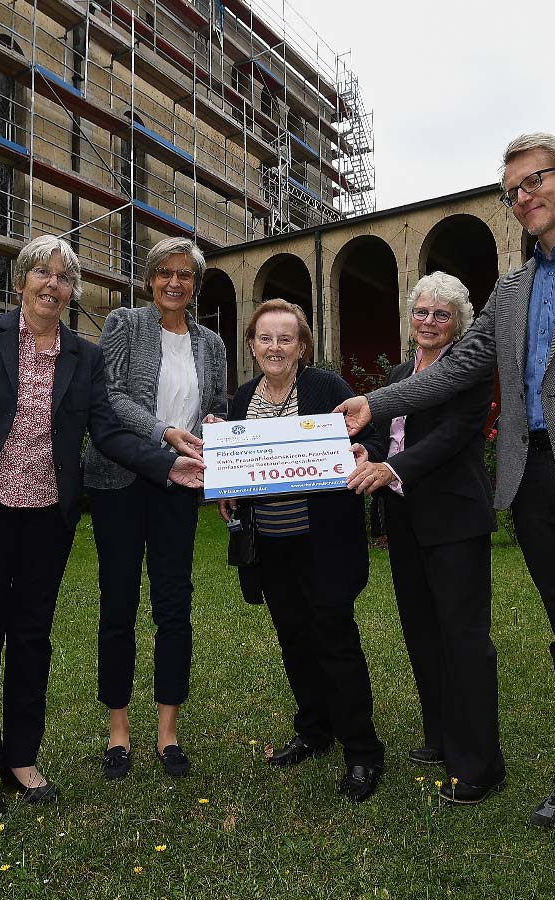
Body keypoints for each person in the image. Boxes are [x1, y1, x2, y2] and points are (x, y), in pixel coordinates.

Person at [337, 133, 555, 875]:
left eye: (534, 181)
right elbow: (458, 367)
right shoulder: (511, 290)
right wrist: (374, 400)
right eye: (512, 190)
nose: (523, 196)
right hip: (533, 485)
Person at [0, 235, 204, 822]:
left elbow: (105, 428)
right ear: (22, 279)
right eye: (42, 274)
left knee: (32, 638)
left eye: (64, 277)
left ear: (73, 290)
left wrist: (166, 460)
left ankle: (22, 758)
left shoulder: (84, 354)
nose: (53, 285)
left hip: (47, 517)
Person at [219, 299, 385, 801]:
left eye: (285, 338)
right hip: (271, 545)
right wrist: (227, 489)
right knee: (293, 638)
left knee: (334, 638)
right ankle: (315, 730)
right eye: (265, 338)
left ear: (302, 347)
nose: (274, 347)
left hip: (323, 543)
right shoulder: (241, 399)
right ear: (251, 345)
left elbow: (370, 436)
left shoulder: (327, 389)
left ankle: (362, 751)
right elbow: (235, 468)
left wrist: (366, 452)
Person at [349, 272, 504, 804]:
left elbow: (452, 436)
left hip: (455, 519)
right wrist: (367, 455)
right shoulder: (398, 372)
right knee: (421, 630)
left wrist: (391, 470)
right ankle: (440, 734)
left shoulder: (469, 369)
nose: (430, 322)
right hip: (405, 519)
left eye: (442, 314)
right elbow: (380, 432)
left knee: (464, 639)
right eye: (422, 312)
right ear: (410, 316)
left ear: (458, 323)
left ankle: (479, 763)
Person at [83, 237, 227, 780]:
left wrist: (213, 424)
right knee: (118, 600)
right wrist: (165, 434)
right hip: (120, 479)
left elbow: (214, 404)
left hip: (181, 484)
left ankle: (168, 732)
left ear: (195, 283)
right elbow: (112, 396)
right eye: (164, 272)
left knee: (173, 603)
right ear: (150, 280)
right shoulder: (125, 323)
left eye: (185, 275)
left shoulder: (211, 343)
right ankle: (118, 731)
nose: (174, 282)